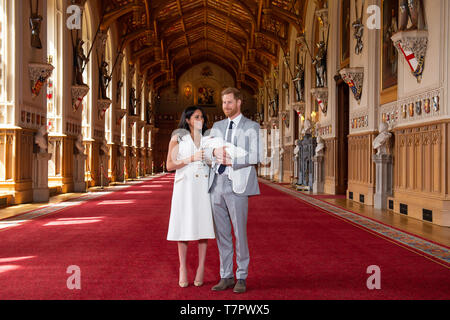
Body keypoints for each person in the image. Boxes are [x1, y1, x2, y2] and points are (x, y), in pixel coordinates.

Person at [204, 87, 264, 294]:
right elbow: (206, 152)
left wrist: (232, 160)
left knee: (239, 233)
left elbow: (256, 156)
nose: (226, 106)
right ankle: (226, 275)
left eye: (229, 102)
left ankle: (242, 276)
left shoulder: (252, 126)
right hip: (216, 185)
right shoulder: (217, 126)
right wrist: (213, 152)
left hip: (237, 185)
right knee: (222, 235)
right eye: (223, 103)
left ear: (239, 102)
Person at [166, 106, 215, 288]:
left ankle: (201, 267)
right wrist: (191, 158)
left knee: (203, 227)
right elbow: (170, 165)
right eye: (196, 117)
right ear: (187, 120)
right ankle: (182, 268)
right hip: (185, 187)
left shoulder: (209, 139)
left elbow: (213, 161)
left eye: (202, 117)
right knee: (183, 227)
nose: (200, 120)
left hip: (203, 186)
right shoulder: (178, 138)